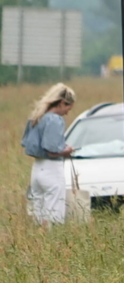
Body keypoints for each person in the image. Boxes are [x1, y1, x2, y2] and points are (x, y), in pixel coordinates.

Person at [21, 83, 76, 227]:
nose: (67, 112)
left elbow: (28, 143)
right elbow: (51, 150)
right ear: (63, 102)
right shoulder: (55, 119)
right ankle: (53, 241)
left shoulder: (37, 117)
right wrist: (67, 150)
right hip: (51, 169)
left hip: (37, 169)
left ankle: (38, 240)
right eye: (67, 108)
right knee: (54, 211)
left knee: (38, 209)